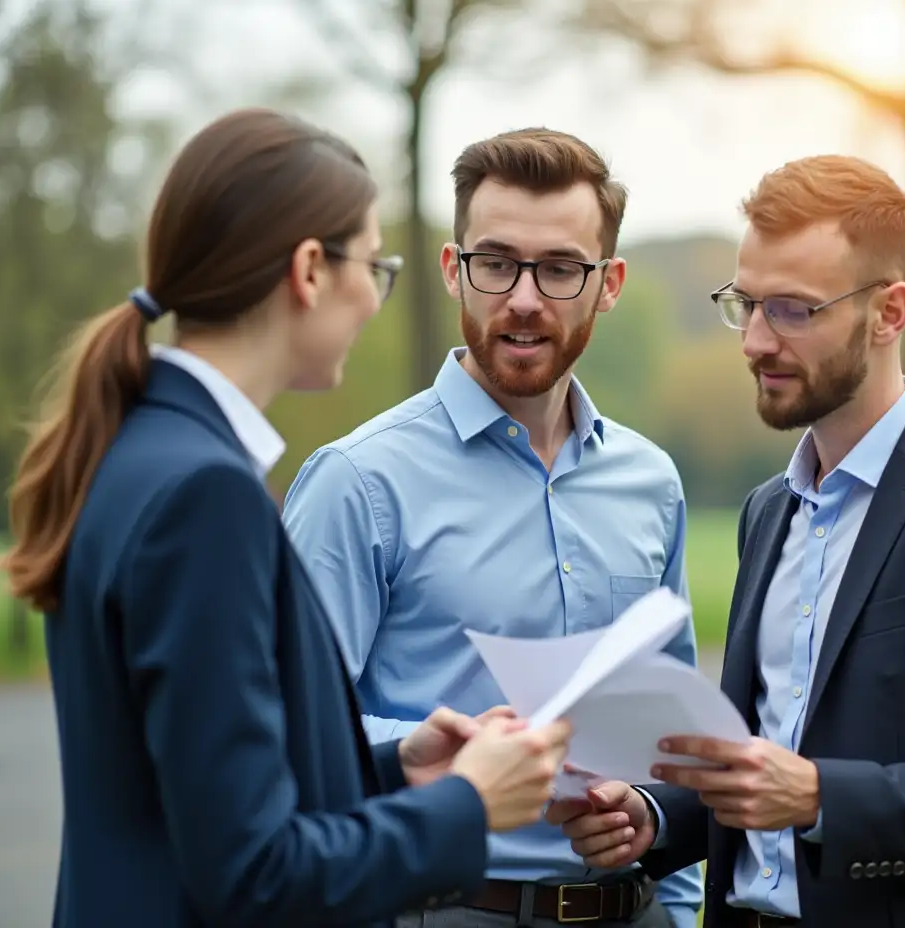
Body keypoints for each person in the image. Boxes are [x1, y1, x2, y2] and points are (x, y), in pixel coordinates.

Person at [0, 108, 572, 928]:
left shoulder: (140, 449)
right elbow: (254, 876)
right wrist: (470, 807)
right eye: (376, 267)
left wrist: (390, 766)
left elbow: (202, 790)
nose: (375, 299)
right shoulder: (206, 497)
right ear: (310, 269)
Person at [545, 154, 905, 928]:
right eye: (747, 303)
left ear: (889, 312)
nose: (756, 342)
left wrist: (819, 796)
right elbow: (759, 766)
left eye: (794, 311)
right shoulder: (767, 513)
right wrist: (657, 816)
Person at [281, 127, 704, 928]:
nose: (523, 297)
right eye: (497, 262)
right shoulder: (358, 482)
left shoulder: (651, 483)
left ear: (608, 283)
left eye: (559, 269)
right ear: (453, 270)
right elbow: (292, 728)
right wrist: (443, 752)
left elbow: (668, 735)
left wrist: (674, 903)